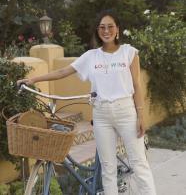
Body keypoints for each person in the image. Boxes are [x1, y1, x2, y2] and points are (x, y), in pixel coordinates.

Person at [17, 10, 156, 195]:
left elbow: (137, 86)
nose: (106, 31)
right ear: (98, 31)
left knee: (139, 164)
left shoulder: (129, 53)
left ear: (117, 30)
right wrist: (34, 80)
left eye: (110, 26)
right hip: (101, 114)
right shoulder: (91, 56)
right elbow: (62, 72)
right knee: (108, 168)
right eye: (102, 27)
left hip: (126, 112)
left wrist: (141, 116)